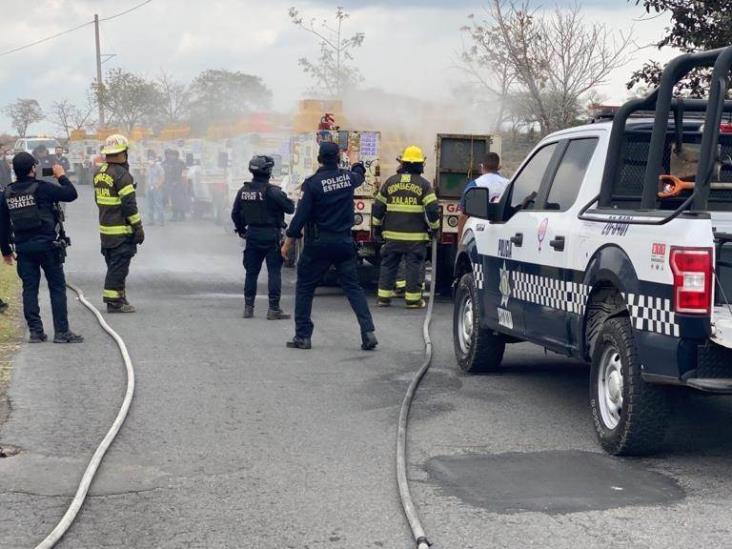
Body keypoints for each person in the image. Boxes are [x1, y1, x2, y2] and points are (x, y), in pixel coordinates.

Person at [281, 141, 377, 351]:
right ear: (337, 158)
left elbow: (301, 216)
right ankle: (368, 332)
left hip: (319, 244)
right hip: (343, 243)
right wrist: (356, 164)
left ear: (319, 158)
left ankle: (303, 336)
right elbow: (360, 175)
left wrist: (289, 240)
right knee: (353, 288)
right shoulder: (348, 178)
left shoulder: (313, 184)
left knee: (305, 287)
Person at [0, 152, 82, 343]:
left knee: (29, 289)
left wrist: (5, 251)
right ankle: (62, 332)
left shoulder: (6, 194)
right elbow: (71, 194)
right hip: (48, 247)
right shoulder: (43, 188)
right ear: (33, 169)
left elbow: (2, 225)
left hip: (23, 249)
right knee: (57, 288)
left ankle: (36, 332)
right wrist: (61, 175)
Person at [373, 146, 440, 309]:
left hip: (392, 236)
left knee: (388, 264)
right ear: (418, 165)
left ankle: (383, 298)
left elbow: (378, 206)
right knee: (413, 266)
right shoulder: (424, 185)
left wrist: (376, 227)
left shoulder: (390, 182)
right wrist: (435, 228)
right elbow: (432, 209)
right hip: (415, 238)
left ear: (402, 164)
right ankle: (413, 300)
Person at [232, 155, 295, 320]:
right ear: (268, 171)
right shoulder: (273, 191)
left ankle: (248, 308)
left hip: (252, 235)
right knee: (274, 272)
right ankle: (273, 309)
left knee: (251, 273)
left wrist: (241, 230)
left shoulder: (243, 191)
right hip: (271, 236)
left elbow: (235, 213)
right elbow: (290, 209)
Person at [93, 134, 145, 313]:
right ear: (122, 153)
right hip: (121, 231)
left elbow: (98, 201)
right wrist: (138, 227)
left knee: (114, 265)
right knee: (119, 267)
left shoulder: (99, 173)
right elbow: (129, 205)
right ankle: (114, 302)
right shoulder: (122, 175)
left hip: (105, 230)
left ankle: (119, 297)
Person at [457, 152, 509, 240]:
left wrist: (460, 239)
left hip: (480, 234)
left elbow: (463, 216)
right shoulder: (508, 184)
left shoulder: (474, 185)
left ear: (482, 167)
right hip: (503, 232)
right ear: (498, 167)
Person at [146, 156, 165, 226]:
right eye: (149, 160)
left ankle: (161, 221)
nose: (150, 161)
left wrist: (158, 186)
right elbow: (146, 177)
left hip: (157, 188)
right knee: (149, 205)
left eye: (151, 160)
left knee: (158, 204)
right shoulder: (148, 167)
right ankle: (151, 220)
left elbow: (162, 177)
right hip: (149, 188)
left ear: (154, 160)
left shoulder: (159, 168)